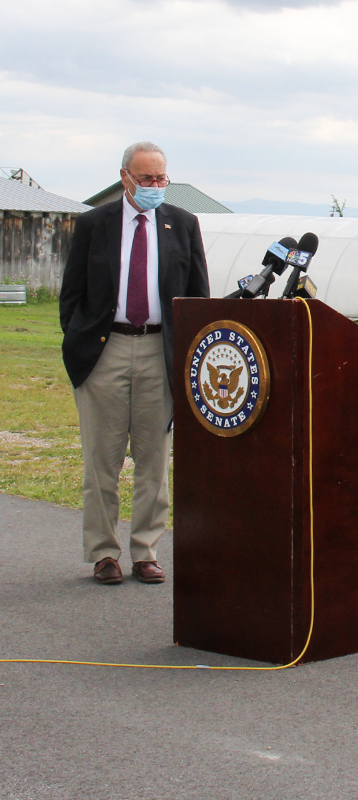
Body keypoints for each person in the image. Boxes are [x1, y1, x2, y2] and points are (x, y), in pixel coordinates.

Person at [59, 142, 210, 585]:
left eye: (161, 178)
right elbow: (72, 294)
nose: (155, 186)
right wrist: (79, 342)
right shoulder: (94, 224)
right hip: (104, 351)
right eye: (146, 179)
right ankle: (104, 553)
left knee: (153, 461)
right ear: (125, 177)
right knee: (101, 461)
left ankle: (146, 551)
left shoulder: (183, 223)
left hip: (159, 351)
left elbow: (197, 295)